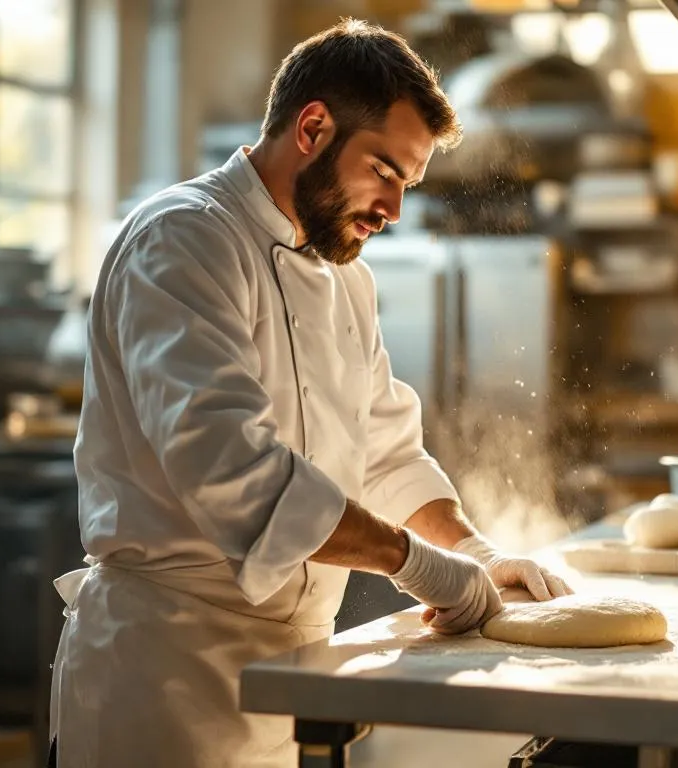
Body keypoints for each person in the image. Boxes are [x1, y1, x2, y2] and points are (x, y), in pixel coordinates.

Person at [47, 18, 571, 768]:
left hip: (294, 674)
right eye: (385, 171)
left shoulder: (343, 276)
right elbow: (234, 473)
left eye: (408, 184)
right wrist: (415, 563)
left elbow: (386, 451)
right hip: (163, 678)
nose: (393, 210)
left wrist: (474, 552)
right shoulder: (184, 242)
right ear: (314, 126)